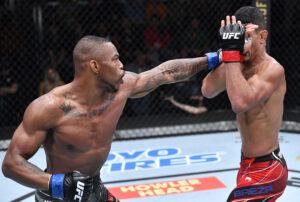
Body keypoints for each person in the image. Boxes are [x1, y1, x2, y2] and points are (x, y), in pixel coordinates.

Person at [2, 35, 219, 202]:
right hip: (57, 195)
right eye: (115, 60)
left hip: (95, 188)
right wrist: (58, 184)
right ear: (95, 66)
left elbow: (166, 73)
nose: (122, 65)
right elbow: (11, 163)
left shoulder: (122, 88)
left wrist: (215, 58)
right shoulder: (50, 107)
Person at [202, 7, 288, 201]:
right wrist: (230, 52)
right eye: (240, 37)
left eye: (248, 36)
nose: (243, 42)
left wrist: (231, 56)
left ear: (262, 36)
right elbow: (208, 90)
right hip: (246, 166)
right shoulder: (237, 63)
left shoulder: (273, 70)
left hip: (269, 168)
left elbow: (241, 102)